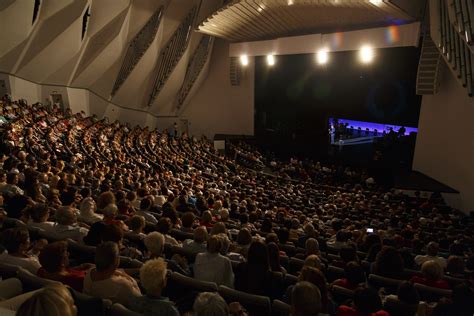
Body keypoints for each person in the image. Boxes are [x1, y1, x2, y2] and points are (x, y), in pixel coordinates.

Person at [83, 241, 141, 307]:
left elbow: (115, 272)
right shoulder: (123, 285)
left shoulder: (90, 272)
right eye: (119, 255)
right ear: (116, 261)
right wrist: (131, 280)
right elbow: (139, 300)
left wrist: (136, 270)